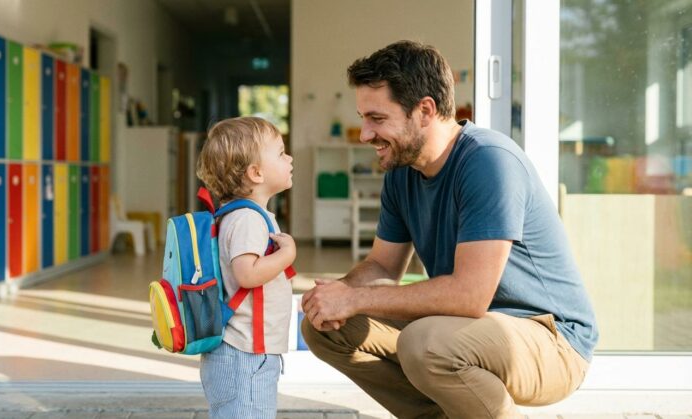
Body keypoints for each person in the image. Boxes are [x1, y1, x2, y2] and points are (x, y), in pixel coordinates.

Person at [301, 40, 598, 419]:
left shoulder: (489, 162)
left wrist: (356, 299)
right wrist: (338, 295)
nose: (364, 134)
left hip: (551, 340)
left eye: (377, 118)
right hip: (465, 329)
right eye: (363, 118)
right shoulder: (402, 172)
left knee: (425, 344)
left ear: (424, 110)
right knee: (325, 329)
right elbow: (381, 266)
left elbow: (468, 295)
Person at [196, 116, 296, 418]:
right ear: (256, 173)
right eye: (280, 153)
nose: (289, 158)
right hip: (245, 354)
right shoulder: (248, 219)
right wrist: (287, 254)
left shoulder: (241, 215)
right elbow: (247, 273)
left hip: (242, 352)